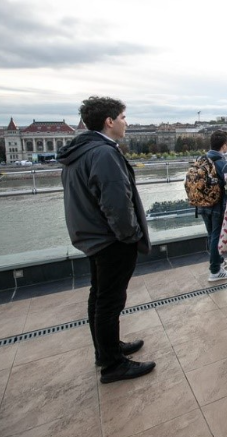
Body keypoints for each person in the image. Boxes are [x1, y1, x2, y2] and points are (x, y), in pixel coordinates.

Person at [57, 96, 156, 383]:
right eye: (124, 117)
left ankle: (106, 350)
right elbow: (116, 201)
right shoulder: (103, 154)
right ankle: (114, 364)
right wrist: (131, 236)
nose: (127, 122)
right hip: (111, 240)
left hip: (91, 236)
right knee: (110, 301)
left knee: (99, 297)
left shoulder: (80, 151)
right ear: (109, 121)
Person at [201, 130, 227, 281]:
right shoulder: (222, 163)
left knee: (211, 235)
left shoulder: (202, 159)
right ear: (224, 146)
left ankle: (219, 261)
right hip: (217, 206)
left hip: (202, 205)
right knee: (216, 236)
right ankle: (215, 271)